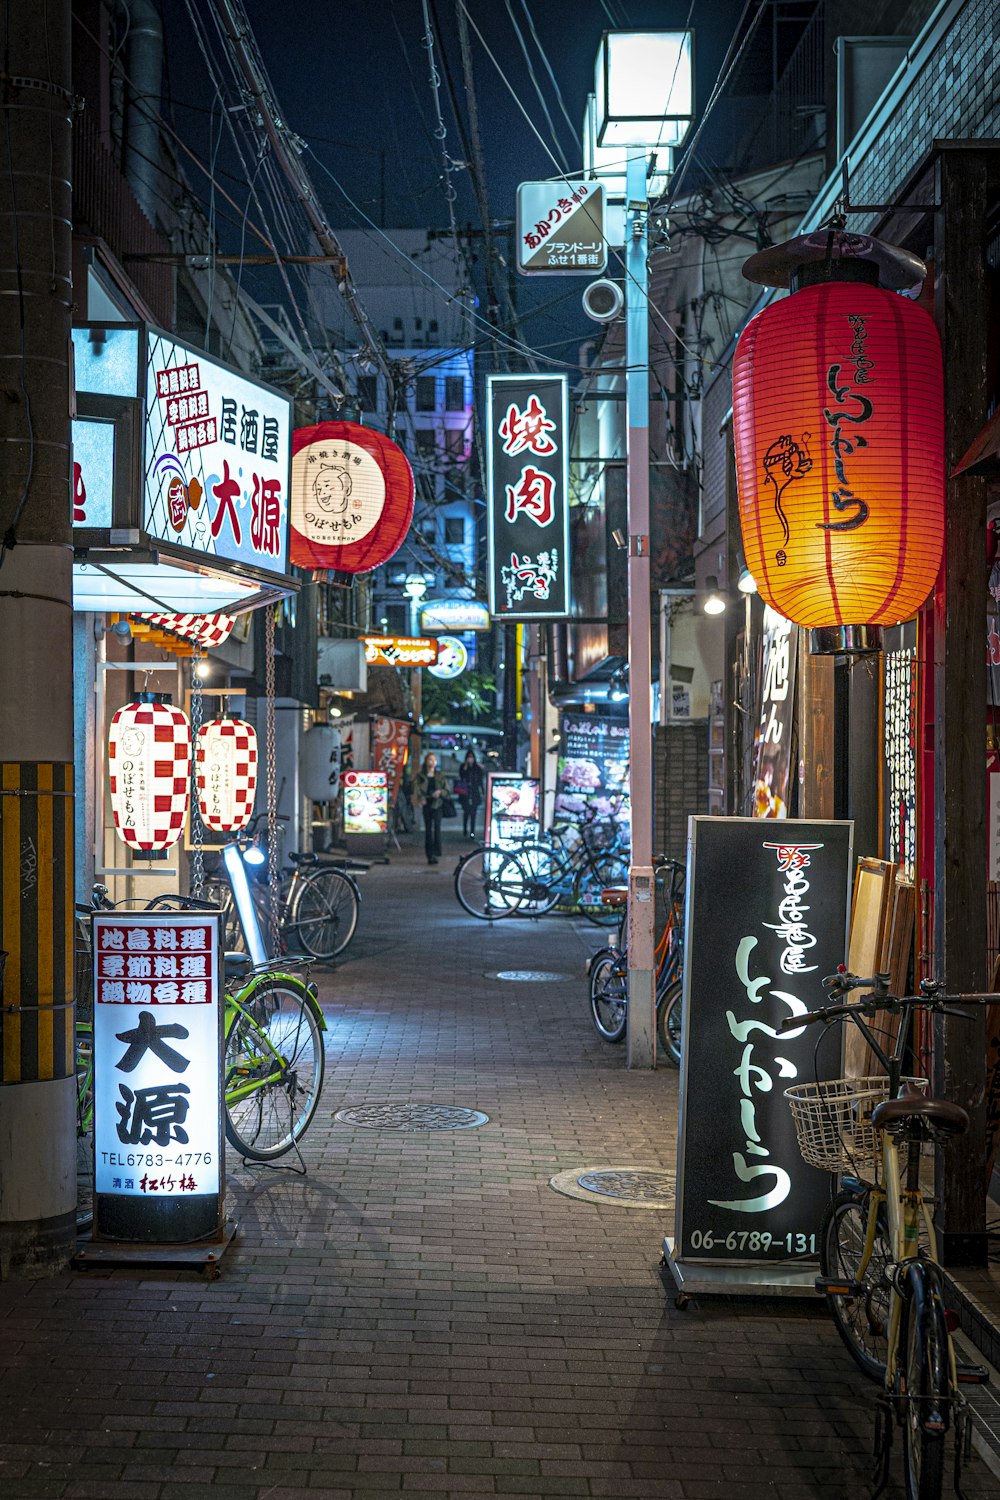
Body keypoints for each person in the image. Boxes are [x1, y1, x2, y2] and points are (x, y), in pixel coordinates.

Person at [413, 751, 449, 864]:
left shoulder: (440, 775)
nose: (432, 762)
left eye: (433, 760)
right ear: (426, 761)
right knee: (428, 830)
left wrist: (440, 792)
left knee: (437, 828)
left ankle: (437, 851)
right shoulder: (421, 775)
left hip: (437, 804)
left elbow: (447, 790)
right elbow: (416, 789)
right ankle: (429, 854)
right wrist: (420, 798)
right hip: (427, 804)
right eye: (430, 760)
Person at [455, 749, 484, 839]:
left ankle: (472, 831)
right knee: (466, 812)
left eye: (471, 757)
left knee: (473, 813)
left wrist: (482, 791)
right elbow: (461, 776)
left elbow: (480, 781)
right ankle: (465, 830)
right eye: (468, 757)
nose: (470, 759)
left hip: (474, 792)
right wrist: (465, 768)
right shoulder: (463, 767)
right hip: (465, 792)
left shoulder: (477, 768)